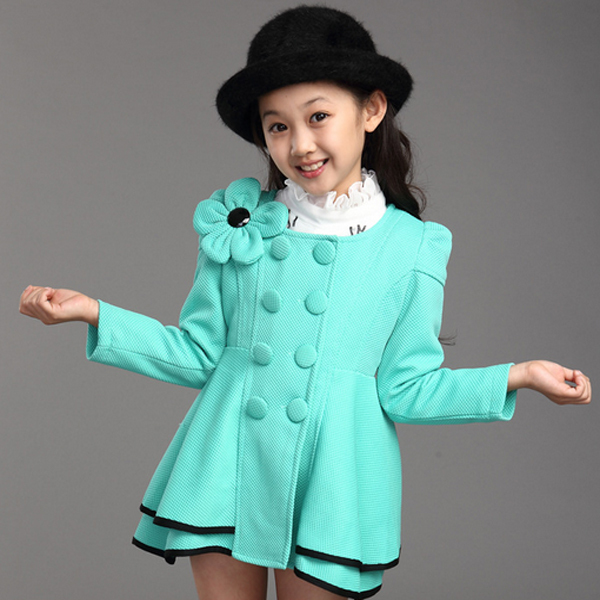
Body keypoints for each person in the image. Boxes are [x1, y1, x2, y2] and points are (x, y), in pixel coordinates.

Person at [19, 5, 591, 600]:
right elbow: (198, 354)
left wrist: (518, 376)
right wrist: (94, 313)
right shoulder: (239, 224)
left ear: (371, 110)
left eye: (318, 116)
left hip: (332, 479)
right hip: (225, 461)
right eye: (277, 126)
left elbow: (405, 388)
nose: (299, 144)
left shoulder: (414, 246)